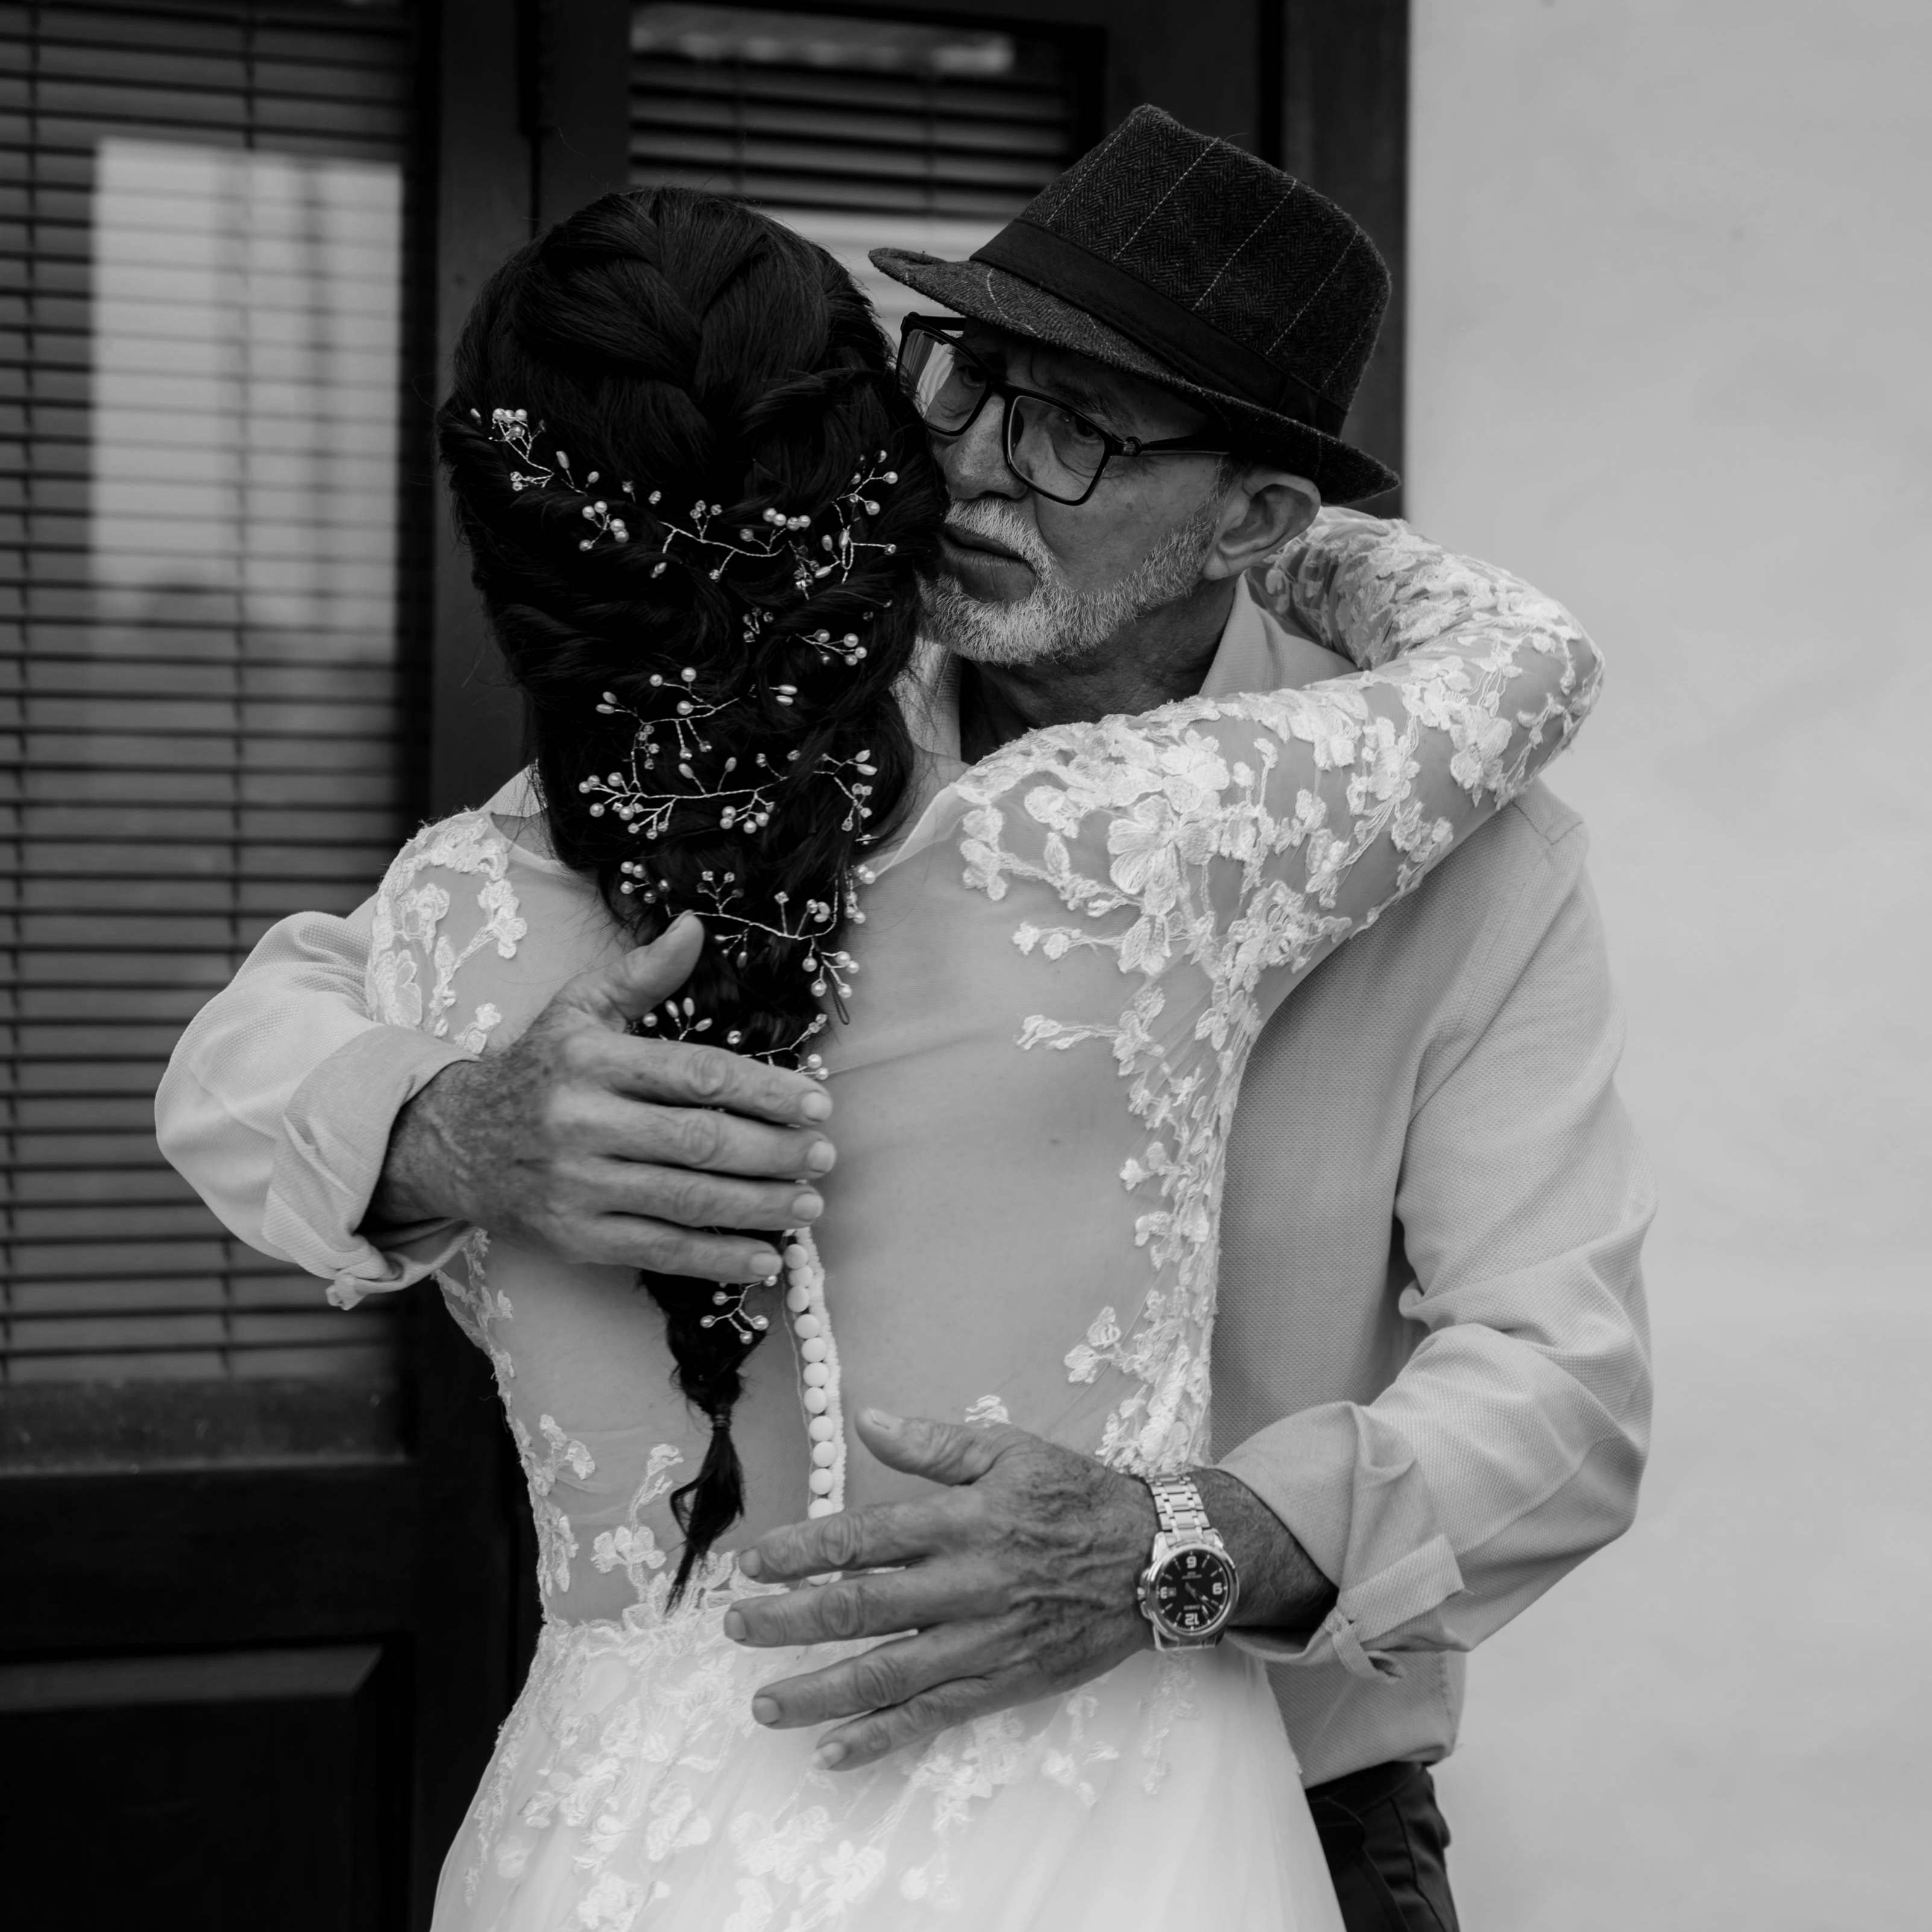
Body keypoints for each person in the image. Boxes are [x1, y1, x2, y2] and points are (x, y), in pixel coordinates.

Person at [157, 110, 1652, 1931]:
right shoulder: (795, 699)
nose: (969, 469)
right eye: (959, 378)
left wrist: (1175, 1552)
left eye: (1073, 429)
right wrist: (452, 1123)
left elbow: (1563, 1388)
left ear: (1258, 521)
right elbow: (270, 1028)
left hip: (1265, 1801)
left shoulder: (1481, 861)